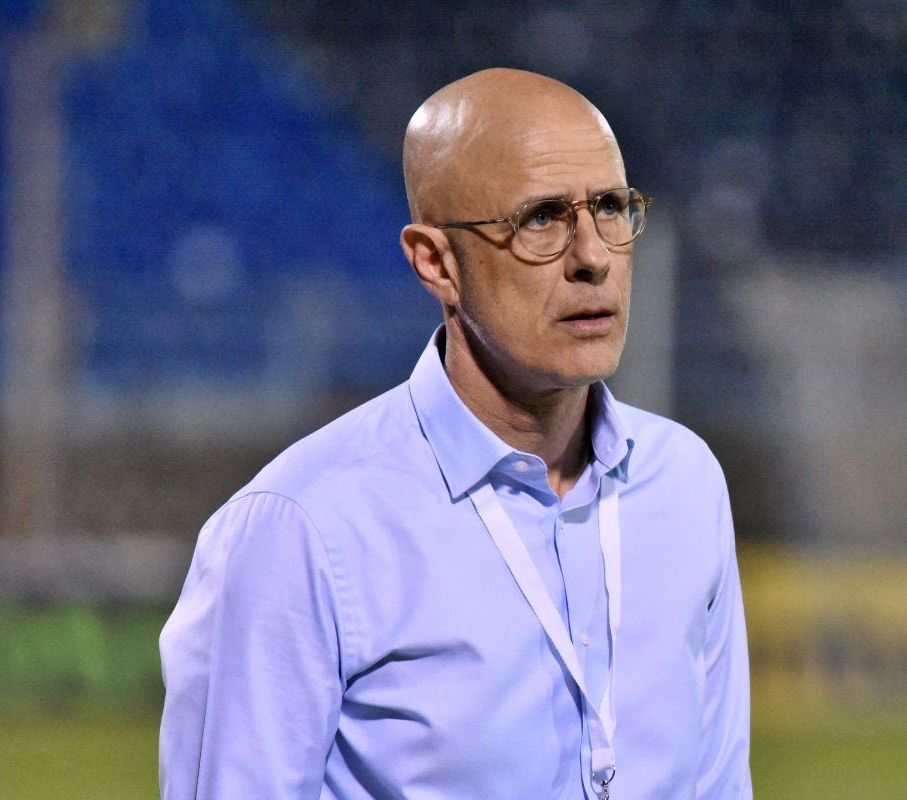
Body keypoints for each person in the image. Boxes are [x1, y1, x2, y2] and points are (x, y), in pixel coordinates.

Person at [159, 68, 751, 800]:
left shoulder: (685, 482)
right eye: (541, 219)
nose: (593, 256)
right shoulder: (301, 529)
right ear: (435, 262)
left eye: (609, 207)